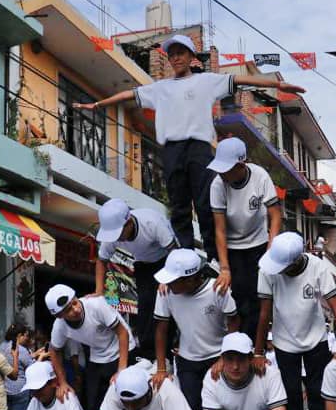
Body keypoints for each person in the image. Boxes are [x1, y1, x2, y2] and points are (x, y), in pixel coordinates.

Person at [75, 33, 304, 260]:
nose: (175, 58)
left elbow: (242, 81)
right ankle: (185, 253)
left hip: (199, 147)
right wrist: (97, 104)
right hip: (172, 149)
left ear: (191, 56)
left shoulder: (206, 81)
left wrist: (277, 84)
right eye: (171, 55)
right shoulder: (160, 88)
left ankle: (214, 253)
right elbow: (129, 94)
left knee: (205, 201)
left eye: (180, 53)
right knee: (179, 203)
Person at [254, 231, 336, 410]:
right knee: (291, 398)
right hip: (285, 344)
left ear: (296, 261)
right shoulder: (267, 269)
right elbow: (264, 313)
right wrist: (258, 352)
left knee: (318, 397)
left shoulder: (318, 267)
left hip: (316, 341)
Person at [153, 248, 239, 410]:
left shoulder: (217, 289)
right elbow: (161, 329)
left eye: (175, 281)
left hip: (217, 357)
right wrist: (162, 367)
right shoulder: (165, 292)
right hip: (188, 360)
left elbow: (234, 321)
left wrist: (224, 357)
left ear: (192, 278)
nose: (170, 285)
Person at [46, 285, 136, 410]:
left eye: (75, 303)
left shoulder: (96, 305)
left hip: (124, 351)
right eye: (68, 310)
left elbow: (122, 332)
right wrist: (62, 382)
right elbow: (54, 351)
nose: (76, 309)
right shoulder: (60, 326)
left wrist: (122, 370)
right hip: (98, 358)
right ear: (60, 316)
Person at [208, 137, 281, 338]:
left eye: (226, 169)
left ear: (241, 165)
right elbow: (220, 230)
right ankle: (238, 346)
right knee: (239, 300)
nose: (222, 174)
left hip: (258, 244)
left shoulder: (260, 176)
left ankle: (255, 347)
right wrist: (224, 269)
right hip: (233, 248)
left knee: (259, 297)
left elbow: (275, 215)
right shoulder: (217, 185)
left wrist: (270, 252)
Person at [94, 198, 178, 360]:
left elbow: (173, 251)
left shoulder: (152, 223)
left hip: (167, 260)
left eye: (119, 234)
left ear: (129, 223)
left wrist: (166, 280)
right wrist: (99, 292)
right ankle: (147, 355)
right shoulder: (113, 236)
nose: (117, 239)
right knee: (145, 307)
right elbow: (101, 260)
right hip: (143, 265)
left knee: (164, 304)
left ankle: (166, 353)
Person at [0, 323, 48, 410]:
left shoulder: (2, 347)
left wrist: (33, 354)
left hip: (4, 389)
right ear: (19, 335)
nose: (27, 338)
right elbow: (32, 367)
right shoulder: (21, 349)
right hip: (19, 390)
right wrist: (41, 357)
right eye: (25, 335)